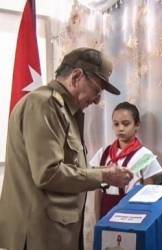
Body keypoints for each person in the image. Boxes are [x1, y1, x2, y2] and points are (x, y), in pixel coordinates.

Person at [0, 47, 133, 250]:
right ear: (77, 76)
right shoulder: (44, 105)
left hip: (55, 233)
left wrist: (105, 172)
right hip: (40, 236)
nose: (98, 100)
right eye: (96, 90)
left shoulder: (65, 111)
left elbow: (69, 166)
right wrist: (104, 176)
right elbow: (48, 173)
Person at [90, 101, 162, 219]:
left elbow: (149, 195)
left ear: (137, 125)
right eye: (116, 124)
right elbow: (98, 192)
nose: (121, 128)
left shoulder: (145, 156)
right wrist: (97, 220)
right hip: (105, 211)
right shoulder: (103, 153)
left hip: (132, 212)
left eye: (126, 124)